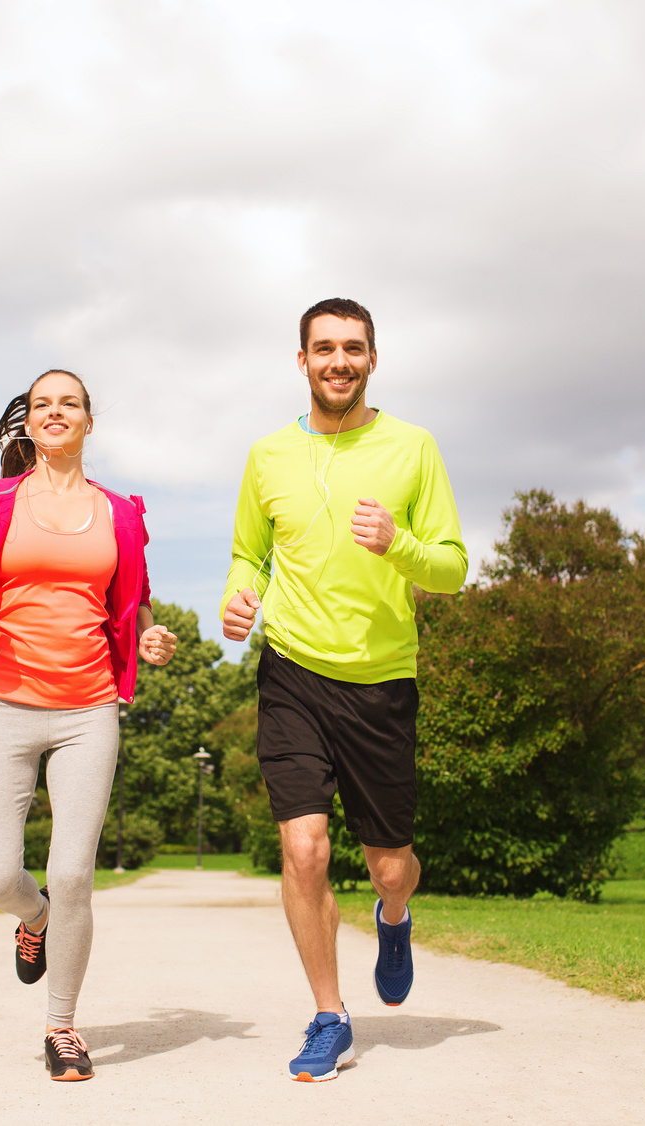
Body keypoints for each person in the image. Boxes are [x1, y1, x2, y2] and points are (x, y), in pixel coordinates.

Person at [220, 299, 467, 1081]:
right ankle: (329, 1015)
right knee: (303, 848)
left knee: (390, 864)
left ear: (371, 359)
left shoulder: (413, 447)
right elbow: (246, 555)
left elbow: (454, 568)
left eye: (352, 349)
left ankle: (393, 918)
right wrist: (237, 596)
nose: (338, 361)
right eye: (323, 348)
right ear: (302, 361)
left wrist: (399, 543)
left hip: (381, 681)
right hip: (292, 669)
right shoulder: (266, 456)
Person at [0, 368, 178, 1081]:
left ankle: (63, 1027)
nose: (56, 412)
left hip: (88, 708)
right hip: (4, 704)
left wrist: (151, 639)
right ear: (29, 426)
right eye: (43, 405)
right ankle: (31, 920)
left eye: (70, 403)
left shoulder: (120, 515)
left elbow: (138, 603)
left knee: (73, 873)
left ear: (88, 423)